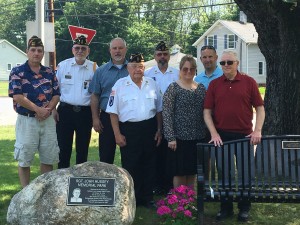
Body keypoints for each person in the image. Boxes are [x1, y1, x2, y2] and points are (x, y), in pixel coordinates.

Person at [203, 50, 265, 222]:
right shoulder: (215, 85)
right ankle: (226, 207)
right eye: (222, 63)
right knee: (225, 174)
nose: (226, 66)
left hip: (245, 136)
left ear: (237, 63)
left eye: (229, 62)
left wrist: (257, 130)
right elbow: (207, 112)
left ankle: (244, 208)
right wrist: (214, 133)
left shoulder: (249, 82)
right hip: (221, 137)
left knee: (246, 174)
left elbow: (260, 108)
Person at [106, 53, 162, 208]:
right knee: (131, 165)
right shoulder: (119, 85)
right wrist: (117, 134)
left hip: (149, 127)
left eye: (141, 66)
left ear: (144, 68)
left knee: (150, 164)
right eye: (134, 66)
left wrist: (159, 130)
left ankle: (148, 197)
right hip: (129, 130)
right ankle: (133, 198)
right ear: (128, 68)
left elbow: (159, 110)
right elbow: (112, 112)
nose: (138, 69)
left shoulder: (152, 83)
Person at [8, 36, 60, 188]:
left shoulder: (49, 72)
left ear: (43, 53)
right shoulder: (18, 72)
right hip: (27, 120)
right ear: (27, 52)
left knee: (48, 157)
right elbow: (17, 96)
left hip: (48, 120)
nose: (36, 53)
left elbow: (56, 94)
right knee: (24, 158)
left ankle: (44, 191)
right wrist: (38, 110)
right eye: (33, 50)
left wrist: (47, 110)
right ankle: (25, 193)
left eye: (39, 51)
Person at [163, 55, 206, 189]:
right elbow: (167, 113)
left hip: (198, 136)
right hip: (178, 138)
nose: (188, 72)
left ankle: (190, 202)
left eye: (192, 69)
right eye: (185, 69)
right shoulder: (173, 88)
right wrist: (170, 137)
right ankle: (179, 203)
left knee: (192, 171)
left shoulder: (201, 88)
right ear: (180, 70)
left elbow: (206, 111)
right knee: (180, 172)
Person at [53, 35, 97, 169]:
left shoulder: (94, 68)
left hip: (85, 113)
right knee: (63, 148)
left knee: (82, 149)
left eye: (83, 48)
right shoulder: (63, 66)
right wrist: (53, 109)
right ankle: (63, 178)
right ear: (72, 50)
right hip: (65, 112)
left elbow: (96, 94)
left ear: (88, 51)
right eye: (77, 48)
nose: (80, 51)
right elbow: (55, 90)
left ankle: (79, 179)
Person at [144, 41, 179, 195]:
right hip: (154, 117)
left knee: (171, 153)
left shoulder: (177, 73)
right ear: (155, 56)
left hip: (174, 118)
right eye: (159, 54)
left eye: (165, 54)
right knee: (155, 152)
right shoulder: (148, 74)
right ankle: (156, 184)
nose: (162, 57)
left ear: (169, 56)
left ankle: (170, 185)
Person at [89, 37, 128, 164]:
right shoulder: (101, 71)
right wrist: (95, 118)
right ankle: (107, 183)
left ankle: (131, 183)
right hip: (106, 117)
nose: (117, 51)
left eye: (120, 48)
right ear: (110, 50)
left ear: (125, 50)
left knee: (130, 156)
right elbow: (95, 95)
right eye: (114, 48)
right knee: (106, 157)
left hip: (128, 118)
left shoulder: (133, 70)